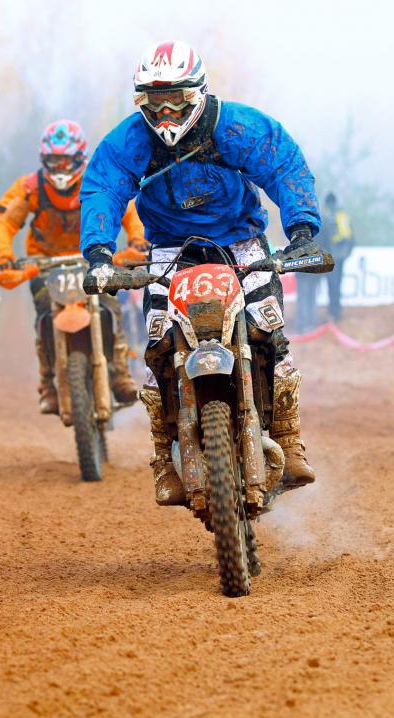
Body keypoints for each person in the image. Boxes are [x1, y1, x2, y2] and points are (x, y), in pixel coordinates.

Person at [79, 41, 322, 506]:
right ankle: (163, 460)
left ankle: (289, 441)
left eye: (176, 101)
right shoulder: (128, 141)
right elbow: (103, 188)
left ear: (199, 94)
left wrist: (302, 229)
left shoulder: (237, 126)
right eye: (154, 102)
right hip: (170, 248)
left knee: (271, 334)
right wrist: (98, 252)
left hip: (240, 241)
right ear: (140, 102)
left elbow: (284, 164)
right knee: (157, 348)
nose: (165, 114)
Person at [0, 120, 145, 413]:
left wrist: (137, 242)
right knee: (45, 314)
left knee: (111, 306)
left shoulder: (96, 180)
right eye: (53, 160)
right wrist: (2, 258)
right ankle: (48, 383)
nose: (60, 167)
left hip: (92, 259)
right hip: (45, 264)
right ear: (43, 160)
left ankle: (121, 372)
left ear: (79, 158)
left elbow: (129, 209)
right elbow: (3, 221)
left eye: (66, 160)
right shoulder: (30, 187)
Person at [318, 192, 353, 322]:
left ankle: (333, 312)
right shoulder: (343, 215)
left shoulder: (328, 216)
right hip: (341, 256)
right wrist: (346, 254)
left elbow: (324, 237)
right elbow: (351, 238)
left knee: (332, 284)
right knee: (337, 284)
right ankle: (336, 311)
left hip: (331, 256)